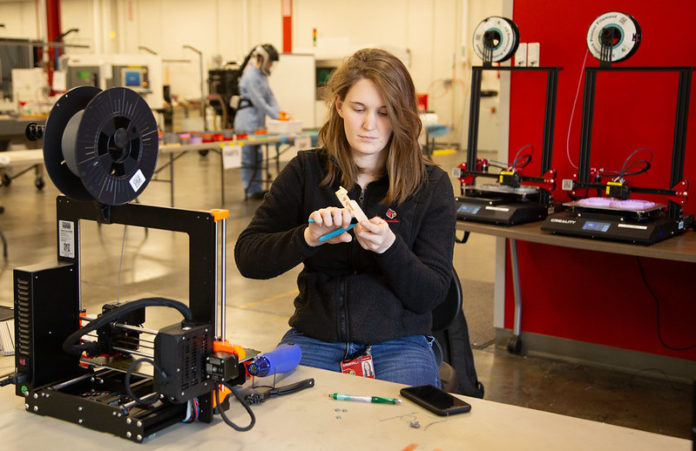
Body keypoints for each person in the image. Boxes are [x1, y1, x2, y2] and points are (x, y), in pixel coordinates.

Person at [234, 48, 455, 387]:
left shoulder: (430, 185)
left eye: (385, 113)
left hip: (399, 345)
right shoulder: (305, 171)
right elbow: (248, 258)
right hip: (315, 338)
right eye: (358, 109)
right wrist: (307, 238)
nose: (370, 125)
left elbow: (431, 296)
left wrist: (390, 248)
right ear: (338, 104)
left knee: (405, 430)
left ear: (402, 115)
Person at [233, 44, 282, 200]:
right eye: (270, 62)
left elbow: (270, 97)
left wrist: (280, 113)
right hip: (246, 121)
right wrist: (275, 114)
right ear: (262, 59)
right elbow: (259, 101)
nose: (271, 66)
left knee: (258, 155)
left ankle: (257, 188)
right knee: (249, 156)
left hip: (257, 121)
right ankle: (249, 189)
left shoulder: (262, 76)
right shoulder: (250, 76)